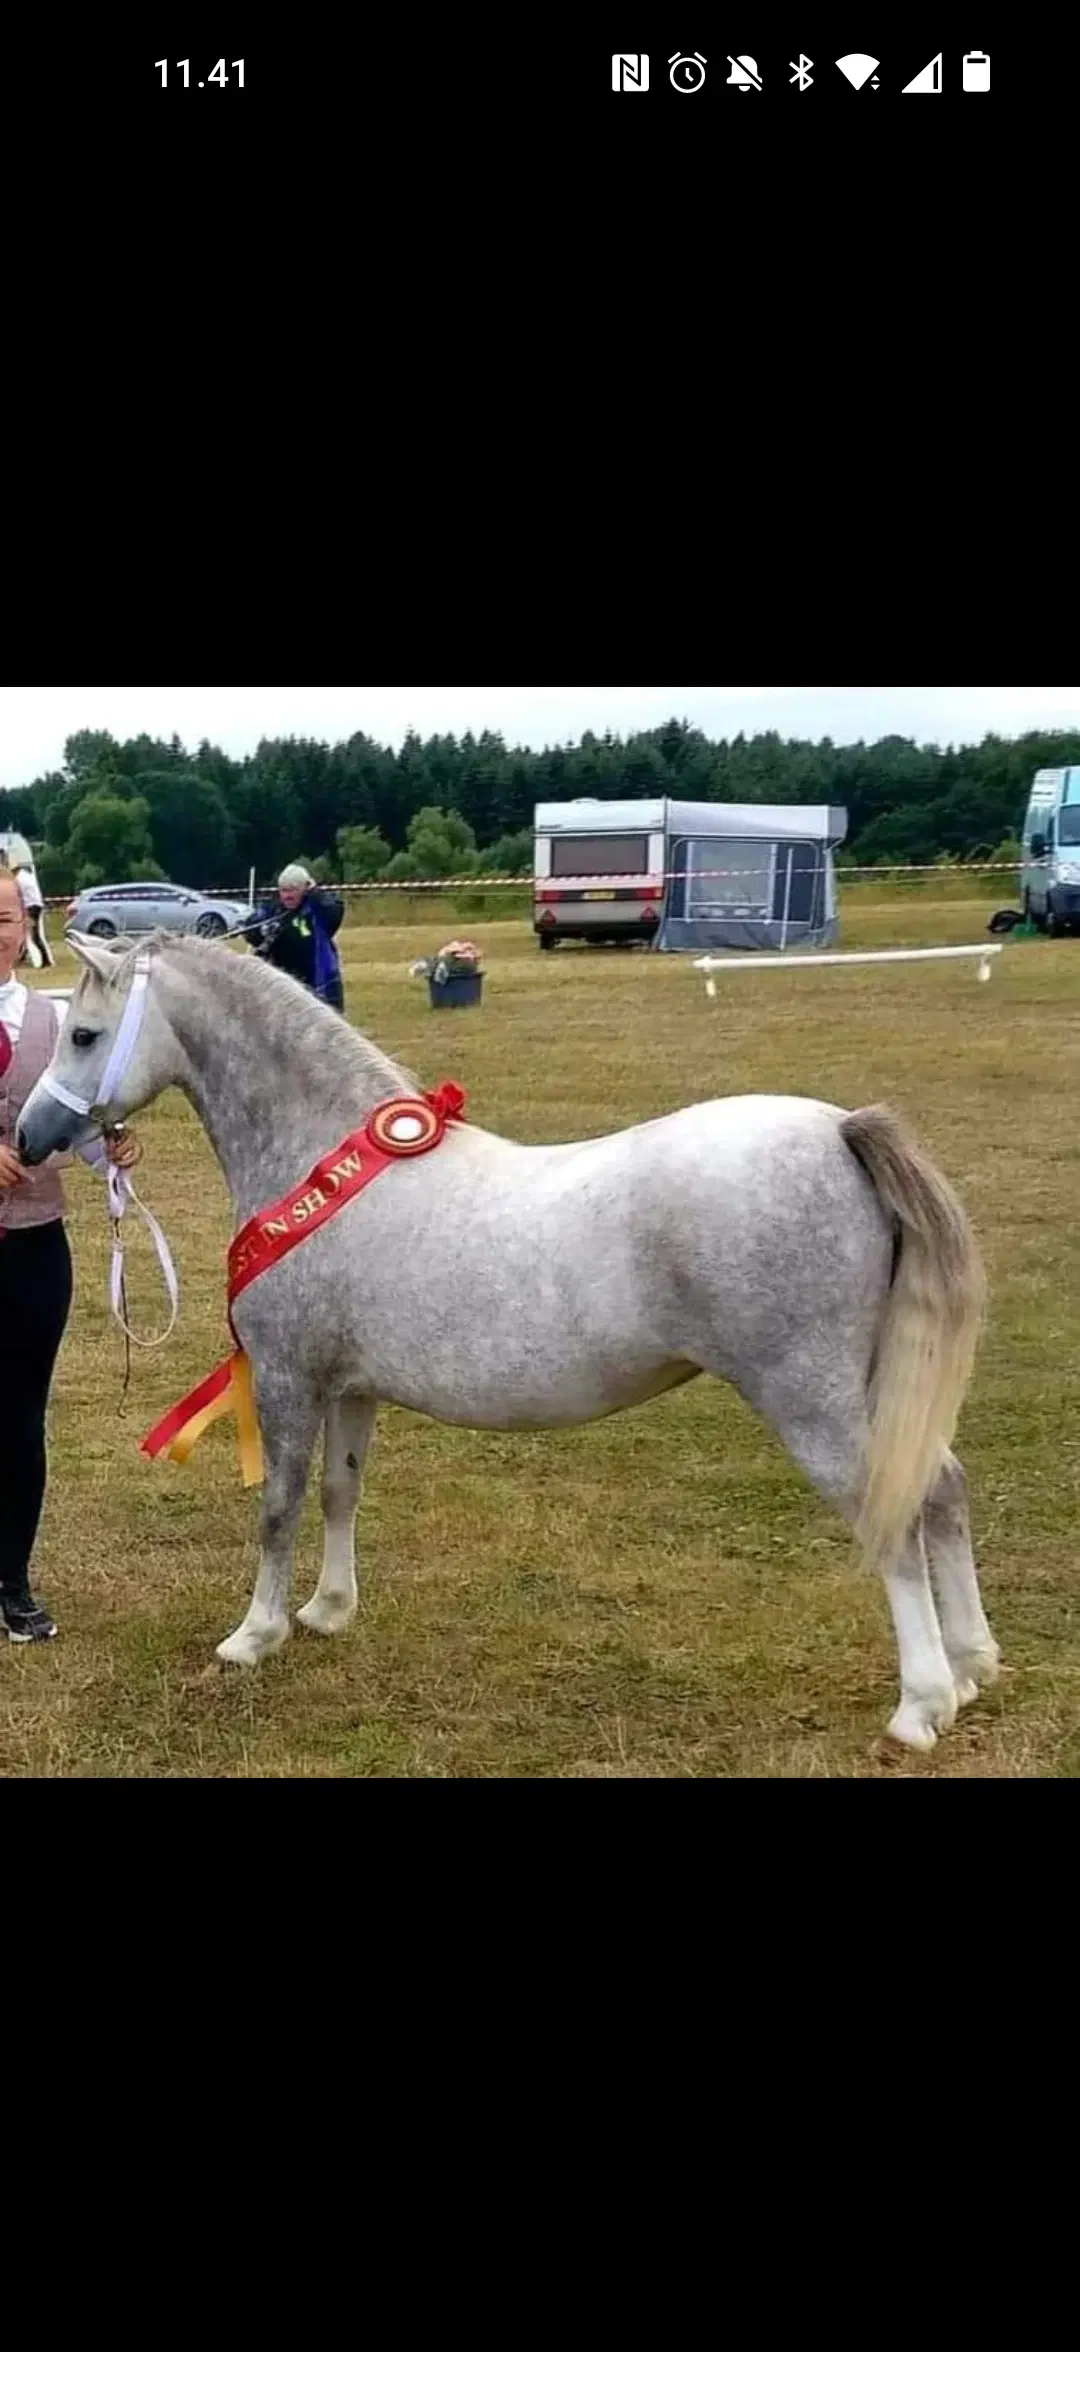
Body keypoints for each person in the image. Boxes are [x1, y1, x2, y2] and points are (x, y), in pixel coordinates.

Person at [0, 868, 140, 1641]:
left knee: (21, 1421)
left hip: (32, 1251)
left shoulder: (55, 1021)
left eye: (4, 916)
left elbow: (77, 1127)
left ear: (26, 925)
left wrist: (111, 1152)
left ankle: (12, 1578)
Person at [240, 863, 345, 1012]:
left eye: (293, 890)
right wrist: (262, 931)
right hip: (283, 984)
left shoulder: (318, 908)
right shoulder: (272, 908)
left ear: (305, 888)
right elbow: (251, 929)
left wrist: (314, 892)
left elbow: (333, 911)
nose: (287, 896)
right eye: (283, 890)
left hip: (318, 982)